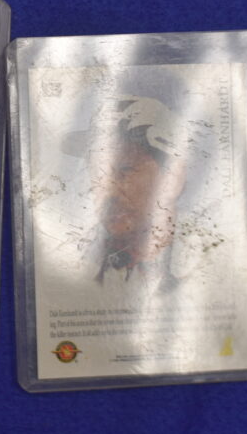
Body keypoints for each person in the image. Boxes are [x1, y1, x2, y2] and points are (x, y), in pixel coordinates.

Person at [65, 95, 190, 291]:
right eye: (98, 173)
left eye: (125, 171)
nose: (108, 191)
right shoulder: (74, 273)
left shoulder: (204, 271)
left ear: (173, 177)